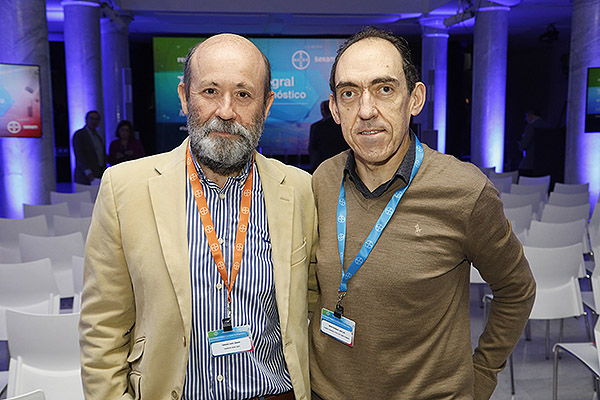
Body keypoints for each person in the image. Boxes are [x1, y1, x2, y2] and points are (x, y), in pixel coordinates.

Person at [79, 33, 317, 400]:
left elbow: (313, 306)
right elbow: (102, 327)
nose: (225, 110)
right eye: (209, 91)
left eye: (243, 94)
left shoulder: (301, 190)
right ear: (184, 97)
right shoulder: (123, 188)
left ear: (267, 105)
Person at [308, 27, 536, 400]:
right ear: (335, 109)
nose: (366, 111)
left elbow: (517, 289)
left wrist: (480, 378)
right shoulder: (323, 180)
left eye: (384, 89)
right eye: (350, 93)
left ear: (414, 99)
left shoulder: (464, 191)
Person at [308, 100, 349, 172]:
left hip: (324, 164)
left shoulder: (318, 127)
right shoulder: (343, 125)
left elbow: (313, 147)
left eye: (323, 109)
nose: (322, 111)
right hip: (341, 164)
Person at [72, 110, 106, 184]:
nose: (94, 121)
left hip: (98, 174)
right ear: (86, 120)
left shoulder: (98, 136)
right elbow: (79, 155)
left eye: (96, 119)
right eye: (92, 118)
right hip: (85, 176)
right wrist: (88, 172)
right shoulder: (79, 135)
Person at [518, 108, 551, 176]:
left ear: (531, 116)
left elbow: (523, 145)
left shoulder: (530, 127)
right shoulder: (548, 127)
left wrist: (520, 144)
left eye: (527, 117)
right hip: (545, 164)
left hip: (529, 164)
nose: (526, 119)